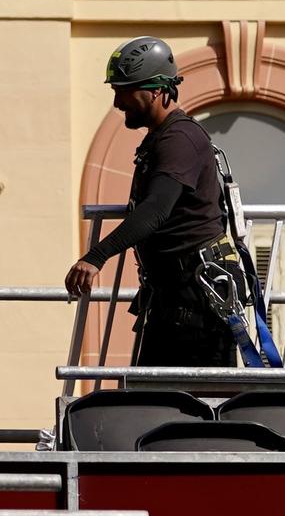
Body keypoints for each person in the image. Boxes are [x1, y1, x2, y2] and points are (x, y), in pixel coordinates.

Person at [64, 35, 237, 367]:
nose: (117, 102)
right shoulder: (162, 138)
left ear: (156, 90)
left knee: (183, 405)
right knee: (155, 402)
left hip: (195, 306)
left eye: (124, 91)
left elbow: (154, 211)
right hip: (176, 299)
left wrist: (95, 257)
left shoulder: (179, 139)